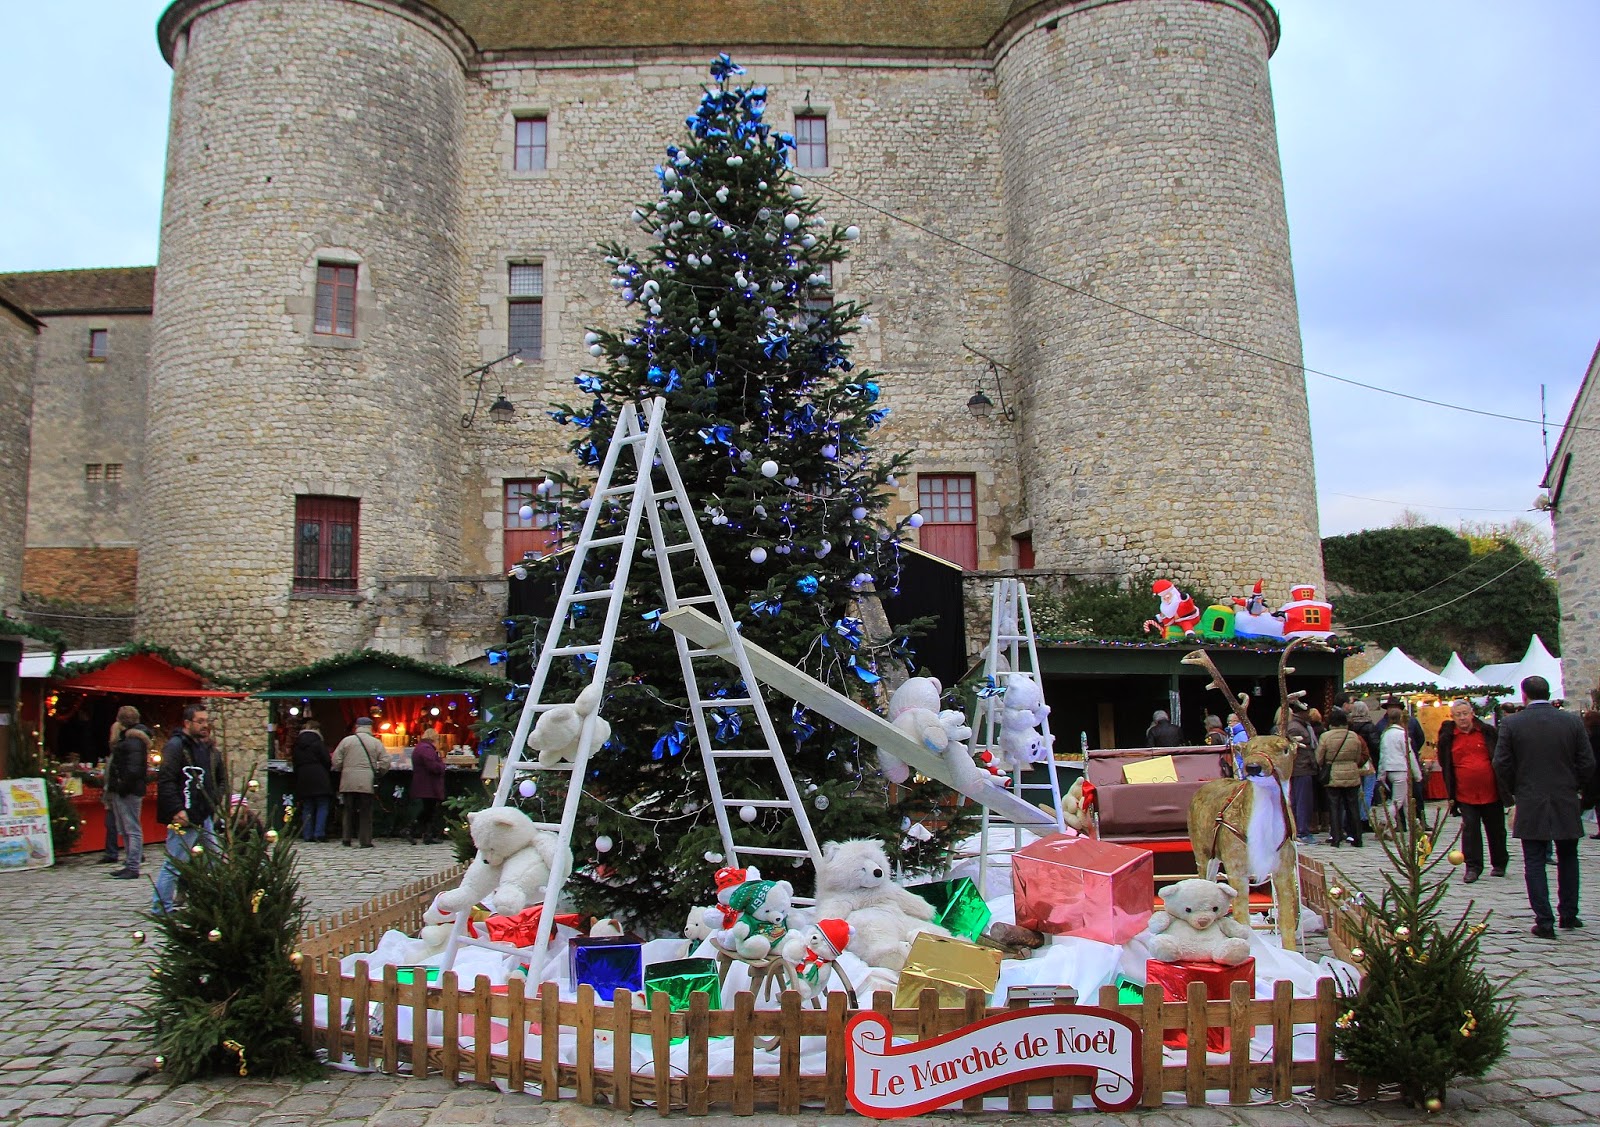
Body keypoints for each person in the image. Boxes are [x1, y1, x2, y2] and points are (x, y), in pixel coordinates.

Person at [1493, 675, 1596, 939]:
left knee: (1534, 860)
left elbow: (1501, 763)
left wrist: (1517, 788)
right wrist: (1576, 788)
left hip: (1530, 796)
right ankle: (1569, 913)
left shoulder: (1513, 723)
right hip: (1564, 795)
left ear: (1524, 695)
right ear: (1548, 693)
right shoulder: (1571, 721)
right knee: (1568, 856)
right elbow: (1587, 762)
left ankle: (1544, 919)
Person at [152, 704, 223, 914]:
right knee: (175, 862)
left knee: (215, 860)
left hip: (203, 813)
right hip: (186, 814)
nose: (204, 725)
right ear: (187, 723)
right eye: (199, 721)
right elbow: (166, 780)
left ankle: (218, 899)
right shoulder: (175, 747)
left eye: (205, 721)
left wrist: (213, 801)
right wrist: (176, 809)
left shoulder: (200, 747)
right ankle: (161, 906)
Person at [1437, 699, 1507, 883]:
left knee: (1496, 829)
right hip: (1465, 793)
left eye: (1465, 713)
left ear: (1472, 713)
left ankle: (1499, 863)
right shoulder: (1449, 738)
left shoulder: (1487, 733)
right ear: (1452, 717)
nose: (1462, 718)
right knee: (1470, 830)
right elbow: (1446, 765)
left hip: (1491, 791)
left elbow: (1500, 757)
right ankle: (1473, 867)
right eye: (1458, 715)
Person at [105, 705, 152, 879]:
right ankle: (129, 862)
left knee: (132, 827)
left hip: (129, 790)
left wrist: (121, 786)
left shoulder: (133, 741)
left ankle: (133, 864)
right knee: (125, 828)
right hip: (125, 789)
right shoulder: (128, 739)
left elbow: (133, 769)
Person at [332, 716, 387, 848]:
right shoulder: (375, 742)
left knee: (348, 810)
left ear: (357, 727)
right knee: (365, 811)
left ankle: (346, 838)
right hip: (366, 781)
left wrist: (343, 769)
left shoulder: (347, 741)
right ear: (370, 727)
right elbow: (386, 760)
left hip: (348, 780)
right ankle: (365, 840)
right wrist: (379, 772)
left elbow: (336, 759)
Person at [1316, 708, 1367, 847]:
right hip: (1351, 774)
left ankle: (1336, 837)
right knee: (1353, 806)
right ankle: (1357, 837)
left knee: (1334, 806)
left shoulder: (1325, 737)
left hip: (1334, 774)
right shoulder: (1353, 736)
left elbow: (1319, 758)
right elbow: (1358, 757)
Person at [1276, 706, 1318, 843]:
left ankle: (1298, 830)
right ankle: (1301, 831)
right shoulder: (1295, 727)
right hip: (1301, 768)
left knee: (1298, 800)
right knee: (1302, 801)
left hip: (1302, 768)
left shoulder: (1302, 725)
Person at [1377, 706, 1423, 830]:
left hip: (1389, 769)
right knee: (1397, 801)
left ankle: (1414, 824)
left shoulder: (1385, 734)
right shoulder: (1402, 734)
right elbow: (1409, 754)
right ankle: (1384, 822)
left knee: (1407, 799)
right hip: (1401, 769)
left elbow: (1382, 755)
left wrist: (1381, 774)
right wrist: (1417, 774)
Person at [291, 720, 333, 842]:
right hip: (319, 775)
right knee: (322, 805)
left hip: (303, 776)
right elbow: (326, 760)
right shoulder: (318, 743)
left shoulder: (297, 744)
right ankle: (319, 833)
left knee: (307, 806)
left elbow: (294, 762)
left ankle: (307, 834)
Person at [409, 727, 447, 845]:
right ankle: (410, 830)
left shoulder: (420, 748)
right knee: (428, 811)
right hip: (428, 785)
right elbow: (434, 767)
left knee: (428, 810)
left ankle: (426, 834)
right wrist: (442, 764)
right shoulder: (427, 749)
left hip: (423, 784)